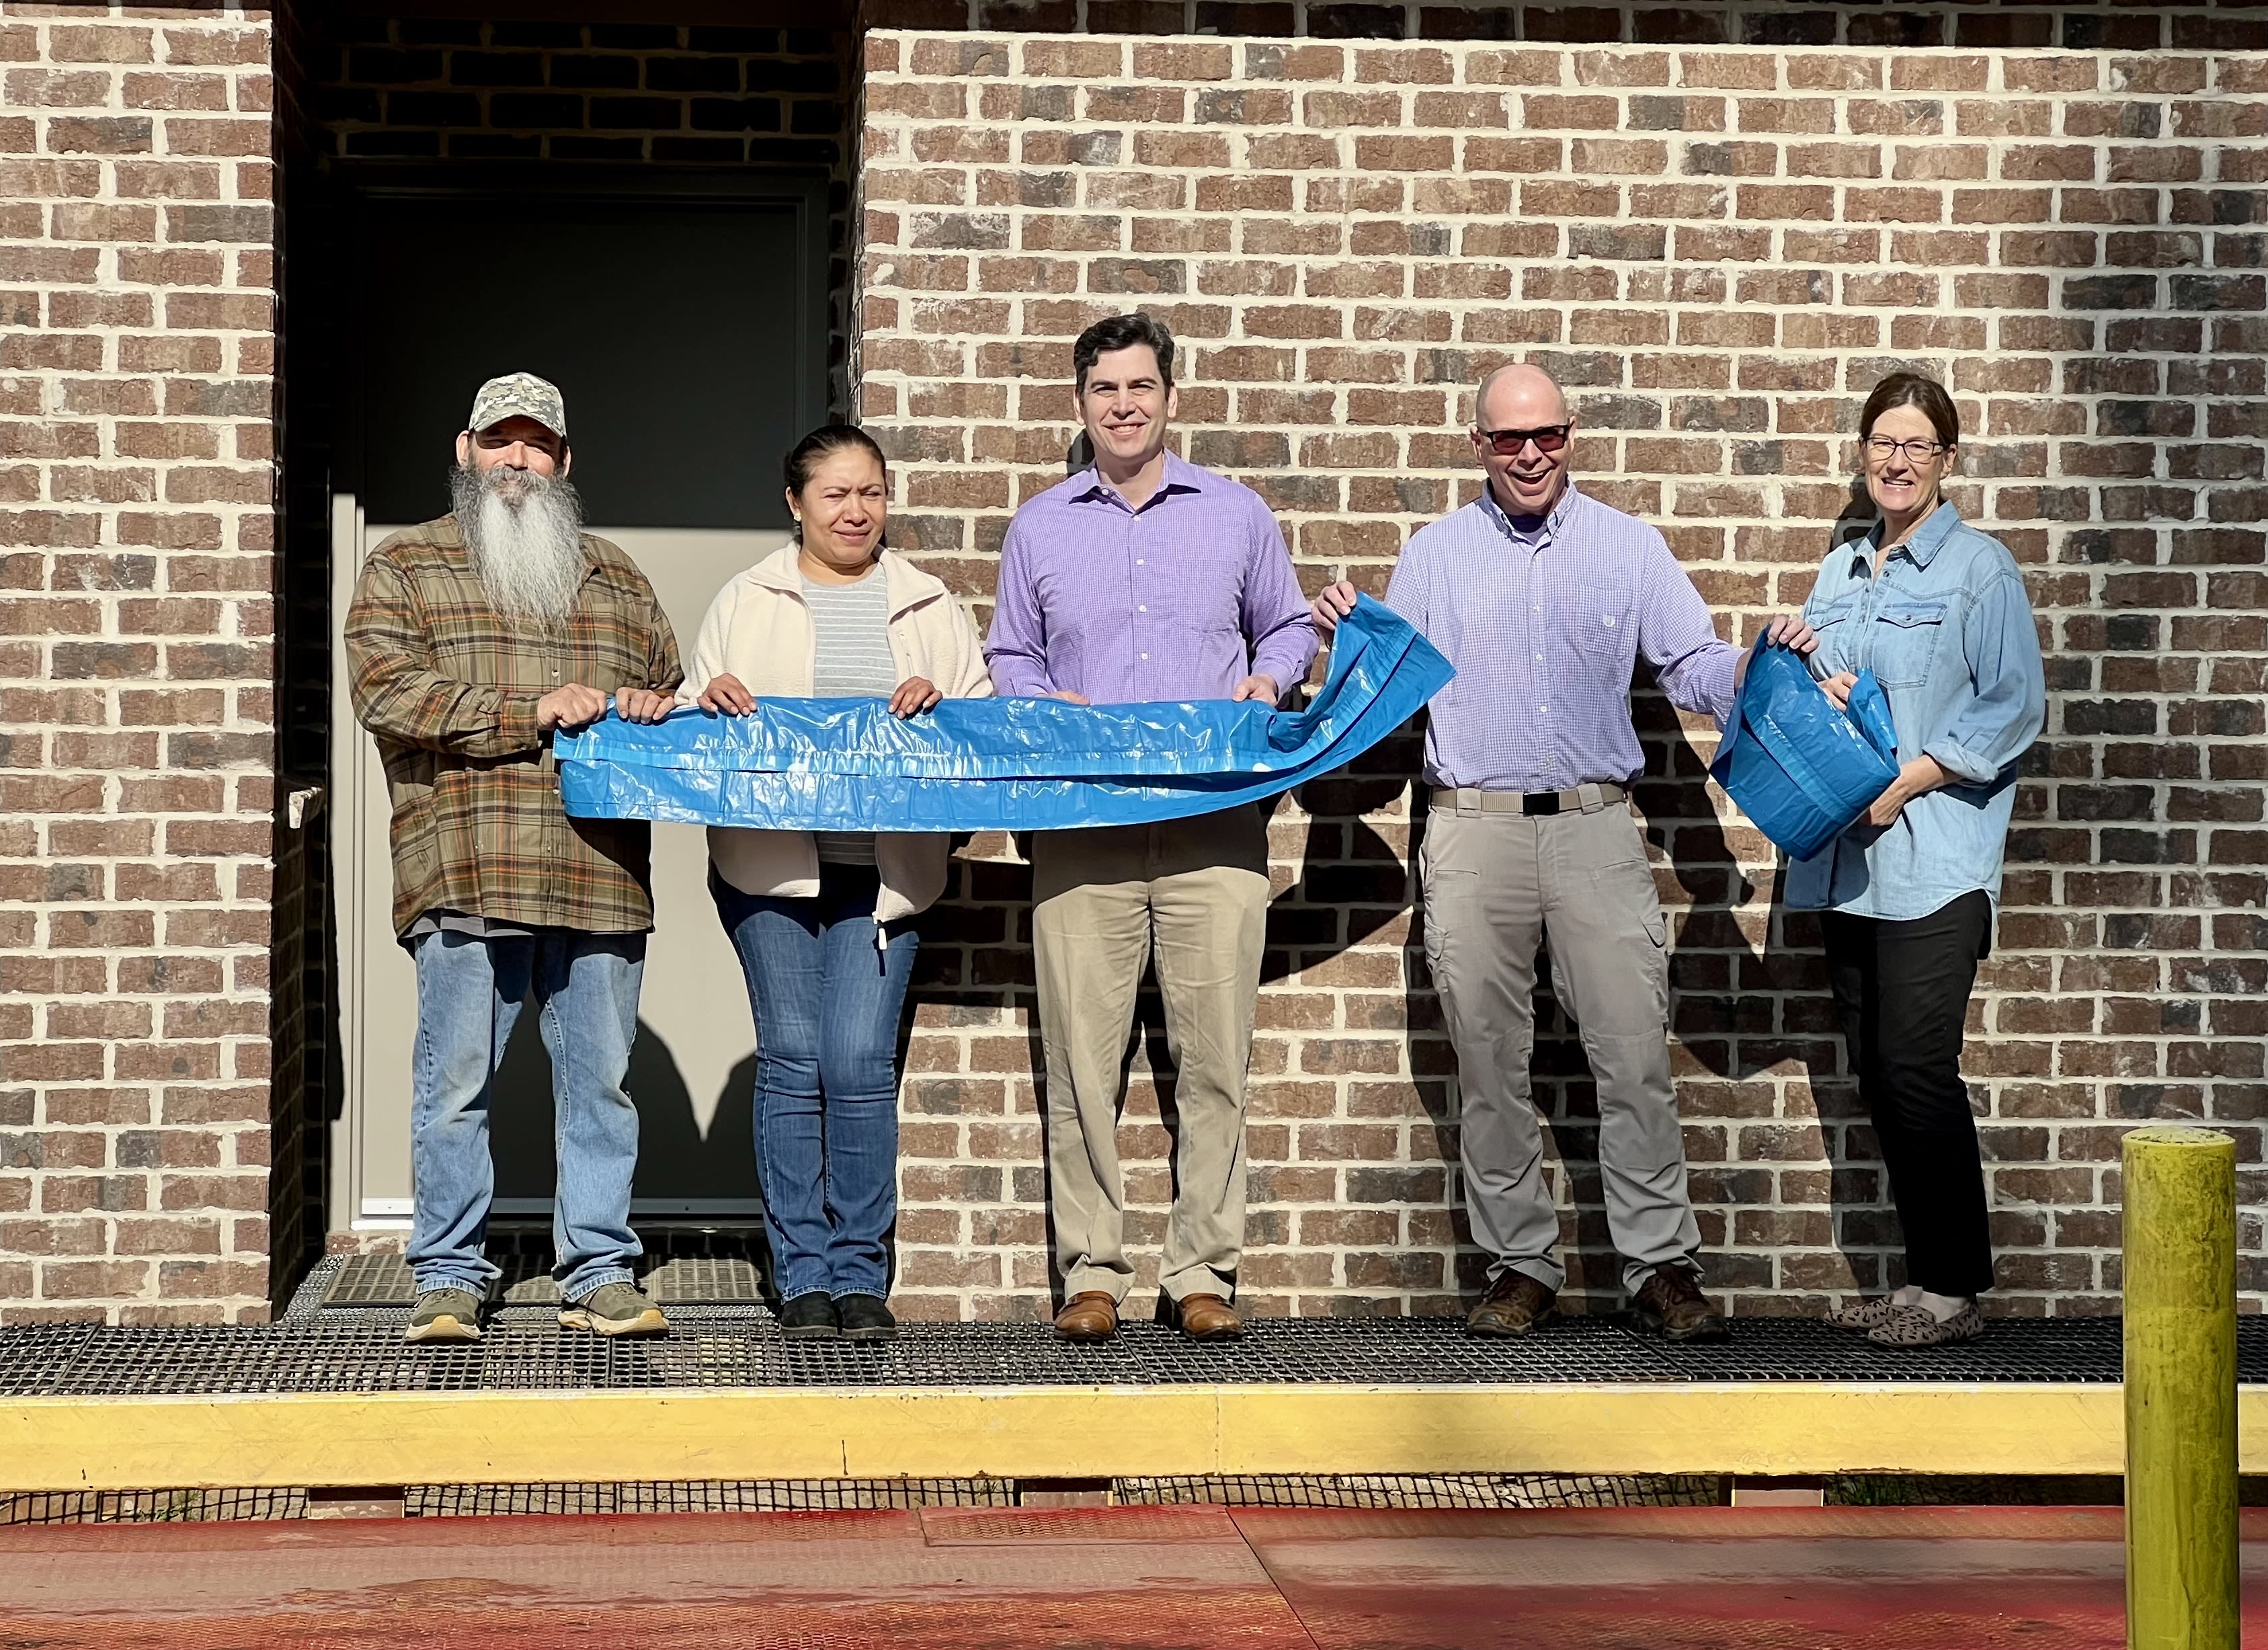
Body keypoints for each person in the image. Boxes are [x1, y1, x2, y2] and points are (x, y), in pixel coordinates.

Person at [1313, 362, 1781, 1342]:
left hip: (1596, 826)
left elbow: (1693, 666)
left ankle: (1659, 1266)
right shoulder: (1434, 557)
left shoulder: (1629, 549)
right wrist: (1342, 645)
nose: (1531, 455)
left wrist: (1760, 663)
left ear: (1573, 435)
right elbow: (1388, 696)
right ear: (1477, 444)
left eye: (1549, 436)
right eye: (1509, 438)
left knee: (1631, 1053)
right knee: (1486, 1062)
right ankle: (1518, 1264)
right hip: (1471, 828)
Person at [987, 312, 1318, 1344]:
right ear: (1080, 407)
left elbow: (1293, 622)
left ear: (1171, 398)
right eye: (1103, 391)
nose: (1123, 405)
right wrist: (1047, 704)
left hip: (1213, 823)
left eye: (1140, 387)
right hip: (1083, 824)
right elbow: (1008, 657)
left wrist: (1274, 675)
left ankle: (1202, 1271)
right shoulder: (1040, 527)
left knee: (1215, 1057)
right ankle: (1092, 1271)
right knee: (1082, 1062)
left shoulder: (1235, 516)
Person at [346, 372, 684, 1345]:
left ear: (565, 462)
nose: (518, 462)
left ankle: (601, 1272)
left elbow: (662, 686)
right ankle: (448, 1277)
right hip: (467, 865)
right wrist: (525, 713)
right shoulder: (407, 566)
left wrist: (657, 709)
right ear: (467, 451)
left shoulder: (616, 577)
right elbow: (388, 691)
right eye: (501, 442)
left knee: (602, 1090)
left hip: (599, 875)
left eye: (537, 445)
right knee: (454, 1087)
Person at [686, 424, 992, 1342]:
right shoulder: (746, 601)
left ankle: (861, 1277)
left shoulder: (929, 603)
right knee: (792, 1060)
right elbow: (697, 722)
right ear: (795, 503)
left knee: (860, 1067)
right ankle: (802, 1279)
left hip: (886, 876)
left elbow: (983, 728)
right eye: (836, 494)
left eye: (871, 493)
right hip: (769, 871)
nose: (856, 511)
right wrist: (717, 698)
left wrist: (941, 708)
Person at [1789, 371, 2046, 1349]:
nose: (1896, 462)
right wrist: (1799, 658)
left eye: (1917, 447)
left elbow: (2012, 707)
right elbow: (1827, 701)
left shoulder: (1981, 570)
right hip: (1847, 870)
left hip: (1935, 863)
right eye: (1881, 444)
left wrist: (1906, 780)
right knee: (1877, 1072)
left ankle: (1951, 1288)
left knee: (1916, 1065)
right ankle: (1918, 1284)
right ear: (1861, 453)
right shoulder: (1840, 570)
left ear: (1947, 460)